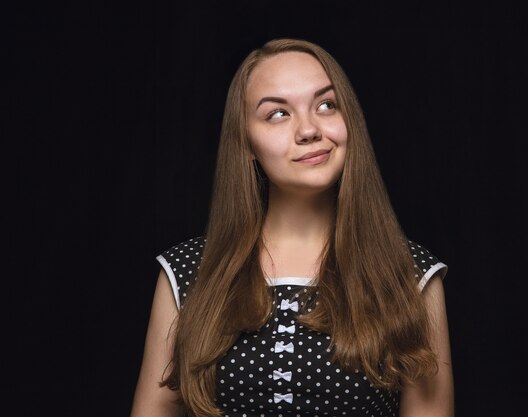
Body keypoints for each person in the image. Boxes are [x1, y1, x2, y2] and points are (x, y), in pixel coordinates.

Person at [130, 38, 454, 417]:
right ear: (246, 141)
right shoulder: (187, 272)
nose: (309, 130)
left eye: (326, 105)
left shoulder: (411, 274)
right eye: (277, 114)